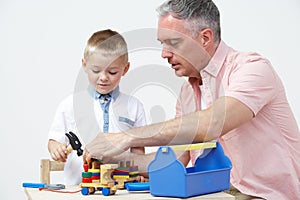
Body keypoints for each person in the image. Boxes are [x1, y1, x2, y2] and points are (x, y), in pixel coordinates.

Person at [83, 0, 300, 199]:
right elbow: (172, 160)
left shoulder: (253, 69)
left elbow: (210, 124)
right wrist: (110, 160)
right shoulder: (187, 92)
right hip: (212, 195)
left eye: (173, 43)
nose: (164, 54)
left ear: (204, 38)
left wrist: (126, 137)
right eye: (162, 44)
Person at [48, 29, 146, 185]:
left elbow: (138, 151)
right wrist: (56, 148)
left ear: (125, 69)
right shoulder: (69, 105)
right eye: (96, 70)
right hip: (79, 188)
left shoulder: (134, 106)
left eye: (112, 72)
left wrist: (138, 173)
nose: (103, 78)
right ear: (85, 66)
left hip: (121, 189)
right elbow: (54, 140)